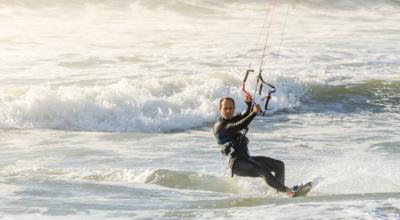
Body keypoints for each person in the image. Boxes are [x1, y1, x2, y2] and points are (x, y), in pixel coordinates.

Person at [213, 90, 297, 197]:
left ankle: (280, 193)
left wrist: (248, 104)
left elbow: (244, 114)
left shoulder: (231, 119)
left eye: (231, 108)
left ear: (234, 109)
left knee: (279, 165)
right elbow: (239, 125)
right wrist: (253, 113)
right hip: (237, 164)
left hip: (247, 159)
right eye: (225, 108)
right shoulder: (220, 125)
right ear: (220, 109)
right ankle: (287, 191)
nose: (228, 111)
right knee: (263, 170)